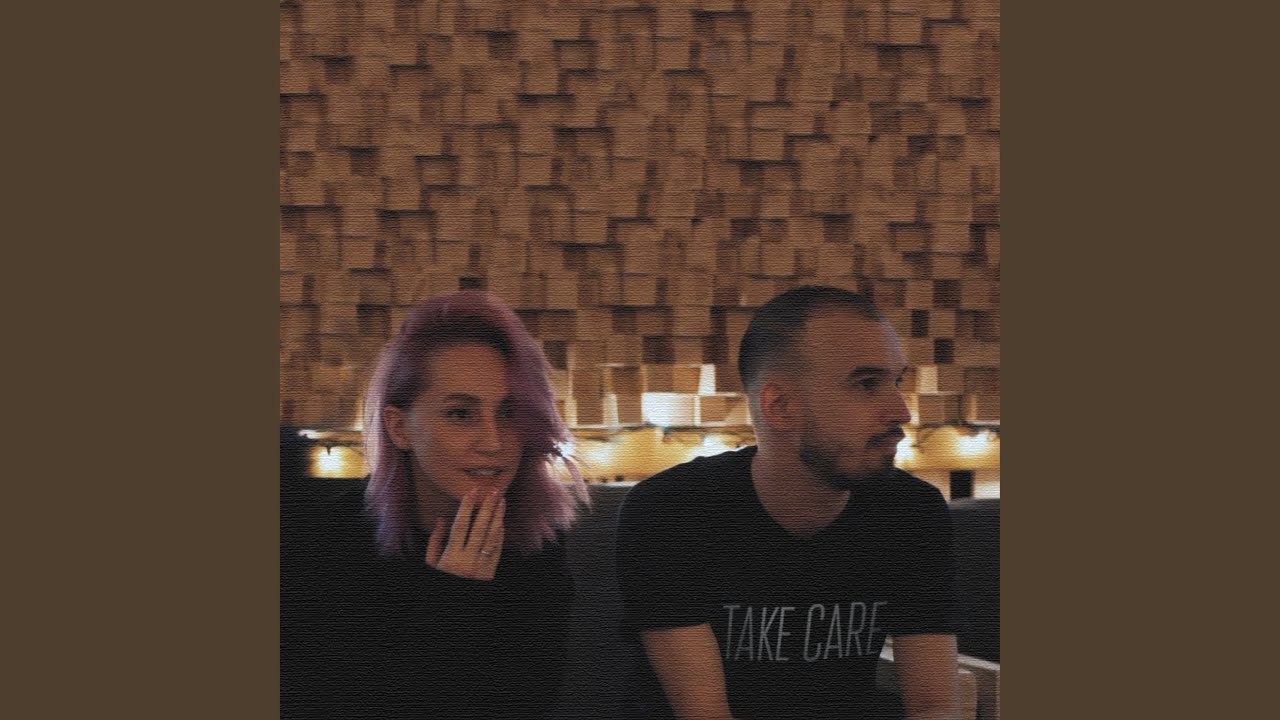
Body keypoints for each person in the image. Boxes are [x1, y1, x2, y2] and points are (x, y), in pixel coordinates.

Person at [615, 285, 960, 720]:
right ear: (780, 406)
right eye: (867, 384)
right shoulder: (673, 512)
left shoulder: (911, 513)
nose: (901, 411)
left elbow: (933, 707)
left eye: (896, 381)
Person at [281, 290, 588, 719]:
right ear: (400, 428)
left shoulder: (534, 547)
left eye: (508, 413)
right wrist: (451, 603)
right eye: (461, 414)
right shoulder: (323, 543)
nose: (492, 442)